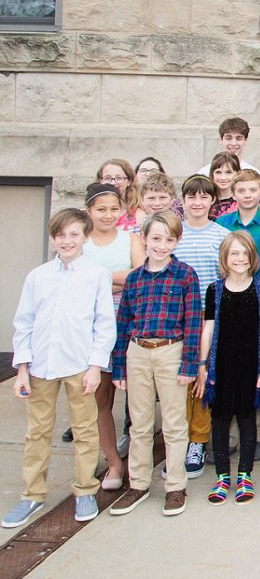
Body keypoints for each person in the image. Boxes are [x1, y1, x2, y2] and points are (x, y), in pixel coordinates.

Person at [3, 209, 115, 529]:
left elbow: (104, 324)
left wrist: (96, 366)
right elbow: (24, 322)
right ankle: (32, 494)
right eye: (61, 235)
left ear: (85, 237)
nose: (67, 241)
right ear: (53, 238)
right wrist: (22, 368)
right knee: (37, 431)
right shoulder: (38, 276)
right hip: (41, 365)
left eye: (74, 234)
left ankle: (84, 489)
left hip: (79, 364)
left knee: (84, 429)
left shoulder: (96, 275)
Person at [109, 211, 202, 517]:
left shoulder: (185, 276)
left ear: (178, 241)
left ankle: (175, 486)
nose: (162, 245)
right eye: (156, 239)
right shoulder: (134, 279)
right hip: (137, 351)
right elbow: (123, 324)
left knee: (174, 424)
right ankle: (137, 483)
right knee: (140, 423)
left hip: (170, 351)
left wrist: (190, 364)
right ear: (145, 240)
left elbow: (192, 324)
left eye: (169, 239)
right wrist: (120, 366)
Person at [198, 231, 260, 504]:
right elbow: (208, 328)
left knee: (246, 418)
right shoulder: (214, 290)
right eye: (234, 254)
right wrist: (203, 364)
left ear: (252, 257)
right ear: (225, 258)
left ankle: (245, 474)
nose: (240, 259)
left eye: (244, 253)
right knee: (219, 420)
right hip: (222, 364)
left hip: (251, 364)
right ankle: (222, 476)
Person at [82, 184, 145, 489]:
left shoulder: (131, 239)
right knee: (100, 398)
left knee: (137, 398)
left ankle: (138, 460)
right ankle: (113, 463)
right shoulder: (79, 242)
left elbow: (139, 275)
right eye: (100, 209)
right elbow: (76, 283)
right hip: (89, 327)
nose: (108, 215)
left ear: (122, 210)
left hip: (127, 322)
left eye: (113, 209)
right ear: (88, 211)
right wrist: (116, 280)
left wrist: (97, 279)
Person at [172, 176, 230, 477]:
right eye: (191, 196)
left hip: (210, 314)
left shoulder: (221, 235)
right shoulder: (173, 234)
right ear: (182, 200)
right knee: (178, 379)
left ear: (212, 201)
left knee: (202, 378)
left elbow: (226, 276)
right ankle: (177, 439)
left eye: (203, 197)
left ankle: (198, 439)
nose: (197, 202)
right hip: (176, 314)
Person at [215, 170, 260, 286]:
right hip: (231, 286)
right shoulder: (222, 222)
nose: (247, 195)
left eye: (253, 190)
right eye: (241, 191)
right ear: (233, 194)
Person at [196, 117, 260, 176]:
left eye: (238, 138)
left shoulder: (254, 174)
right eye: (228, 138)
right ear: (221, 140)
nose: (233, 143)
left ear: (246, 140)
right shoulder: (205, 173)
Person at [97, 159, 140, 231]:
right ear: (100, 181)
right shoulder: (91, 213)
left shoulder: (138, 214)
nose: (113, 182)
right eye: (107, 178)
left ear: (129, 181)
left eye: (119, 178)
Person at [208, 151, 241, 220]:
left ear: (237, 173)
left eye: (228, 172)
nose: (223, 177)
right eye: (218, 172)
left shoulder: (242, 201)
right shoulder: (206, 199)